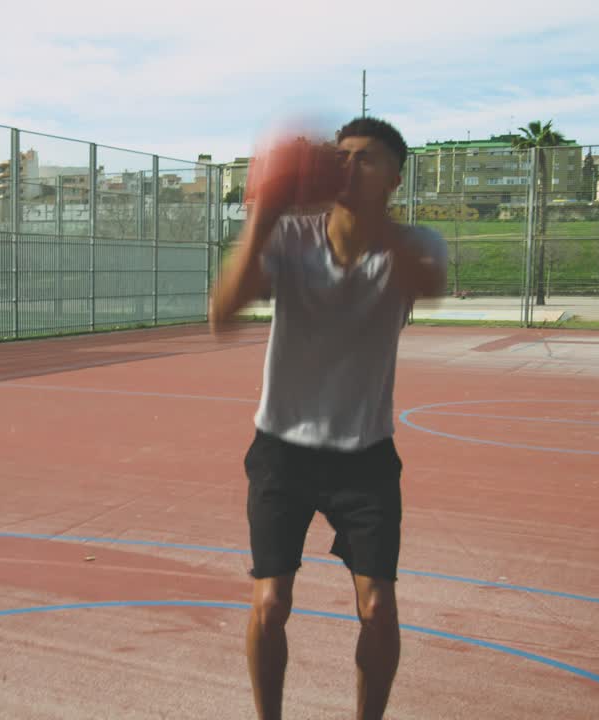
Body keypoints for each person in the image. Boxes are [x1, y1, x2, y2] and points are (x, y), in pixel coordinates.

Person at [208, 117, 447, 720]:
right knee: (270, 603)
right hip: (281, 449)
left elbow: (428, 283)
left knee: (379, 608)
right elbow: (223, 314)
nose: (349, 166)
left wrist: (372, 218)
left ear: (394, 177)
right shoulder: (292, 237)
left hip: (364, 455)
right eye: (340, 157)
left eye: (366, 160)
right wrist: (265, 205)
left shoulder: (415, 245)